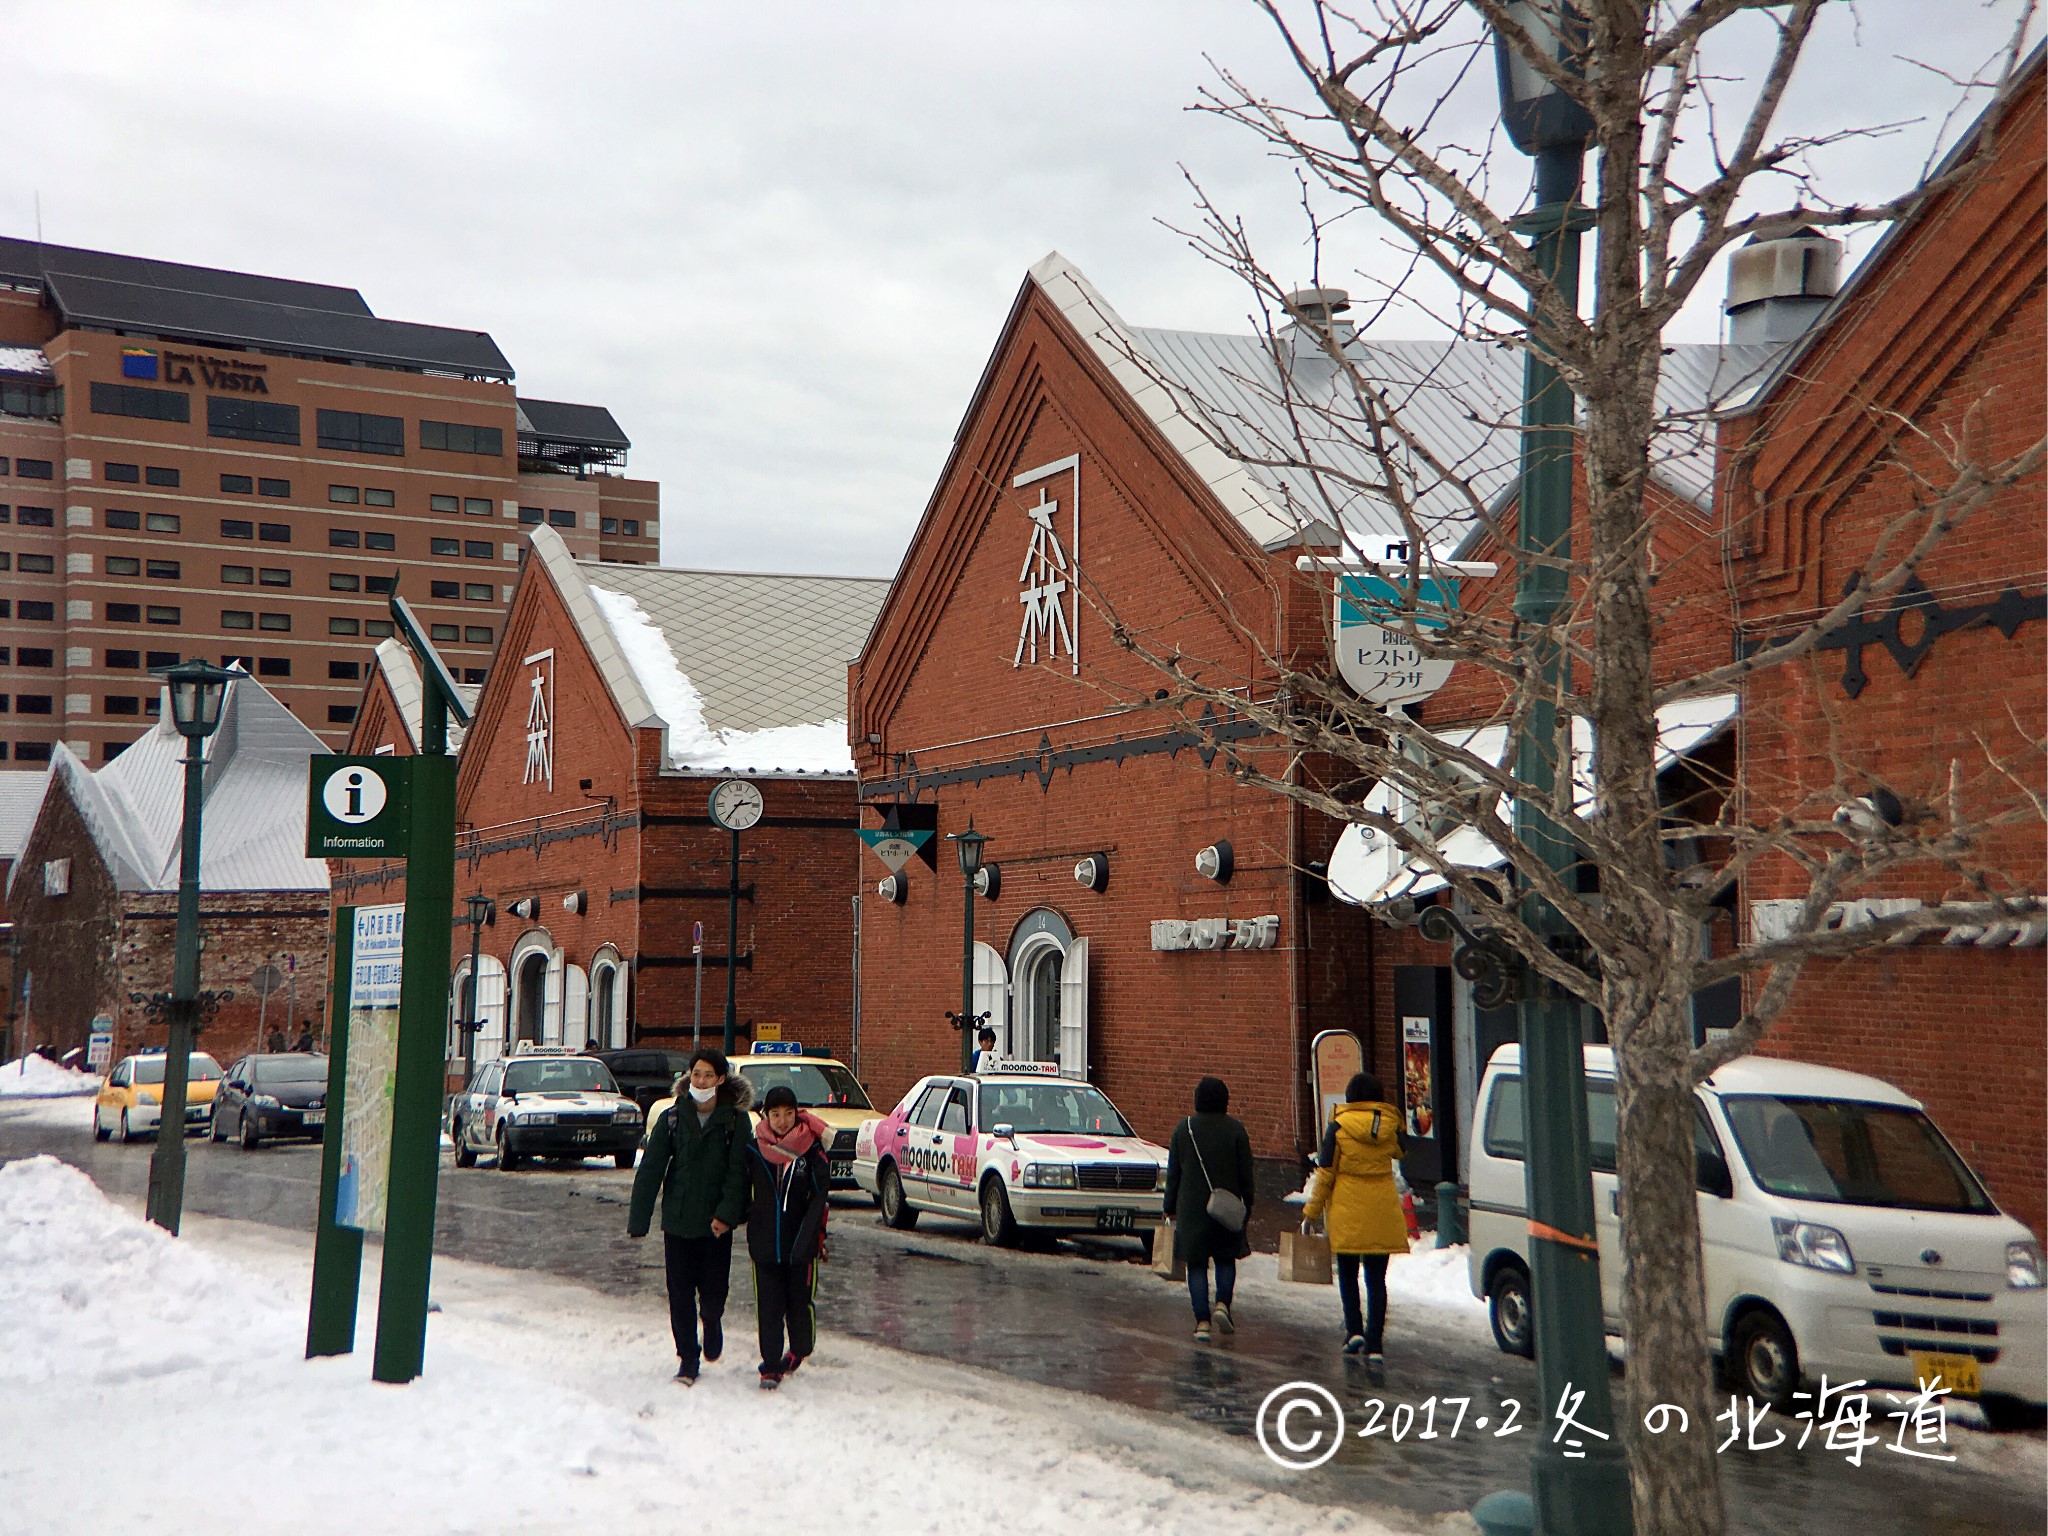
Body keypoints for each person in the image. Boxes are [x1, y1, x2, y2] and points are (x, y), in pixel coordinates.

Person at [626, 1046, 753, 1383]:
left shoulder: (736, 1122)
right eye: (696, 1073)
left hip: (715, 1226)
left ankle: (712, 1321)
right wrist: (639, 1219)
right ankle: (687, 1359)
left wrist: (726, 1214)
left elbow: (739, 1173)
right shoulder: (673, 1117)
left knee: (713, 1294)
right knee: (679, 1294)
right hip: (679, 1222)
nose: (701, 1080)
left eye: (708, 1075)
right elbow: (651, 1168)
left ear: (721, 1079)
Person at [1302, 1071, 1409, 1385]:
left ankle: (1354, 1332)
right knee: (1377, 1279)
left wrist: (1312, 1210)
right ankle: (1375, 1343)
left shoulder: (1338, 1127)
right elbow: (1401, 1152)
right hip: (1381, 1209)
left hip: (1347, 1210)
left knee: (1348, 1275)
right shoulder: (1389, 1123)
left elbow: (1325, 1173)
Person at [745, 1084, 831, 1390]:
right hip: (765, 1245)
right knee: (768, 1307)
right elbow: (743, 1192)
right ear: (766, 1115)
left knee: (798, 1305)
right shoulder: (754, 1149)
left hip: (801, 1245)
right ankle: (770, 1365)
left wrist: (814, 1236)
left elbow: (821, 1196)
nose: (782, 1120)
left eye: (789, 1113)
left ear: (797, 1114)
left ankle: (800, 1349)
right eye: (776, 1114)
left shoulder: (812, 1149)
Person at [1164, 1076, 1255, 1343]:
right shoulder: (1236, 1130)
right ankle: (1222, 1305)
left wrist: (1169, 1206)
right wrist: (1247, 1204)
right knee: (1226, 1258)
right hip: (1227, 1206)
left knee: (1196, 1264)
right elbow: (1246, 1173)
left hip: (1192, 1209)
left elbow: (1174, 1174)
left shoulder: (1184, 1129)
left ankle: (1202, 1322)